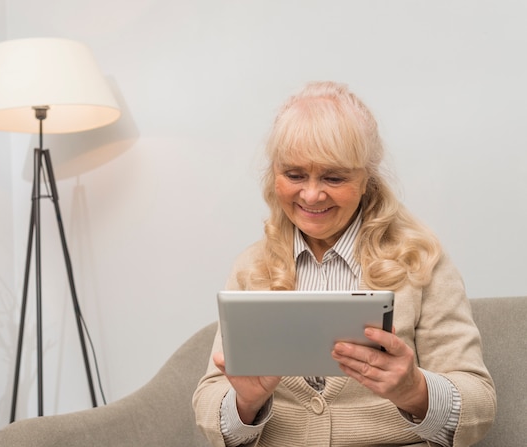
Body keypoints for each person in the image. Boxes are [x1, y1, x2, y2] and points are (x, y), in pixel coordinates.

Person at [192, 81, 496, 447]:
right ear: (274, 175)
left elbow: (480, 402)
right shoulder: (251, 268)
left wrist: (415, 390)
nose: (311, 194)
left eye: (333, 177)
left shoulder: (420, 262)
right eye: (294, 175)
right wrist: (245, 403)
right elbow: (209, 400)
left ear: (366, 179)